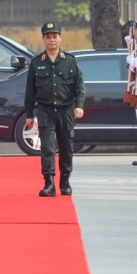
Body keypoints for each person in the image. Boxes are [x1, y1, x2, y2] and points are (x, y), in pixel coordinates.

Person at [24, 22, 85, 197]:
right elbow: (30, 91)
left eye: (55, 36)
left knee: (66, 147)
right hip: (45, 110)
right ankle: (49, 182)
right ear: (43, 39)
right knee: (48, 148)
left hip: (66, 110)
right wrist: (29, 114)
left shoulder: (70, 61)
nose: (52, 40)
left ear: (60, 38)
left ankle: (65, 180)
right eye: (48, 37)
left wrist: (79, 106)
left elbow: (80, 86)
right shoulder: (36, 62)